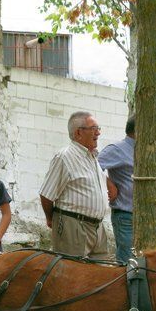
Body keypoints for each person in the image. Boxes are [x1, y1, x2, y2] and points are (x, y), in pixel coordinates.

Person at [39, 111, 109, 259]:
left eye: (98, 128)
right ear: (79, 133)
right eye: (94, 128)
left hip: (98, 227)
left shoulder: (92, 157)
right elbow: (46, 194)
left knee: (101, 276)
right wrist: (52, 219)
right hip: (74, 226)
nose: (98, 133)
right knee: (72, 277)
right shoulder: (64, 157)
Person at [98, 116, 135, 264]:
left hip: (144, 218)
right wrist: (108, 183)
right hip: (126, 217)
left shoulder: (148, 151)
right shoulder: (117, 149)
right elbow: (92, 167)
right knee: (127, 264)